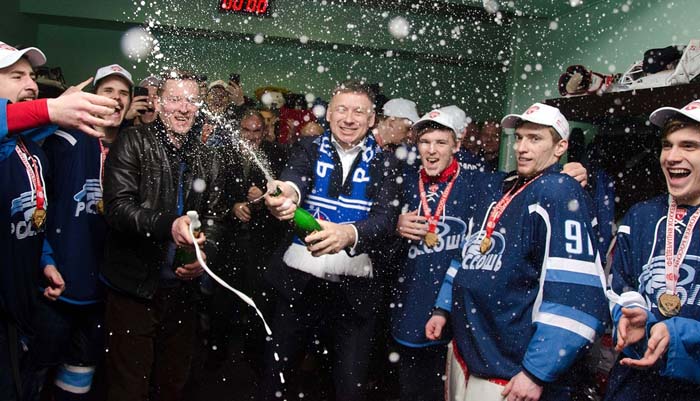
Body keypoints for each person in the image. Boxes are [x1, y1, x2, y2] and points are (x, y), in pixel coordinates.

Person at [426, 103, 609, 401]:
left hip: (511, 369)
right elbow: (470, 253)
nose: (522, 148)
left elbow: (577, 297)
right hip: (471, 351)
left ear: (560, 147)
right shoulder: (503, 187)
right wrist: (443, 307)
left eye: (535, 139)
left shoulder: (557, 191)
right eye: (520, 137)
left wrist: (537, 371)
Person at [261, 80, 401, 401]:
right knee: (276, 379)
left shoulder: (388, 163)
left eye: (358, 112)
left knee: (348, 387)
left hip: (354, 296)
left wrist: (348, 233)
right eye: (341, 109)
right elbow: (294, 179)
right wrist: (285, 196)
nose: (349, 119)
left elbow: (386, 220)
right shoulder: (308, 148)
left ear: (371, 119)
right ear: (329, 114)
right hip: (298, 287)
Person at [100, 69, 226, 401]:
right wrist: (168, 224)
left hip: (183, 293)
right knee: (129, 388)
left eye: (191, 100)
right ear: (157, 102)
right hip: (134, 288)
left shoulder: (207, 156)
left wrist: (207, 254)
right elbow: (117, 209)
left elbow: (215, 220)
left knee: (173, 384)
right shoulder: (133, 141)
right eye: (174, 99)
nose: (183, 108)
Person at [35, 64, 133, 400]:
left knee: (80, 378)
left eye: (123, 94)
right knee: (33, 375)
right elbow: (35, 207)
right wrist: (45, 260)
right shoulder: (63, 142)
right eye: (108, 91)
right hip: (56, 288)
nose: (116, 99)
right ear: (92, 98)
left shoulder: (131, 149)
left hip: (104, 292)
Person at [391, 109, 501, 401]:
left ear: (456, 145)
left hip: (456, 307)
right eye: (425, 142)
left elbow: (526, 184)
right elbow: (375, 226)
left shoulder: (478, 183)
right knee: (411, 389)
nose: (431, 150)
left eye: (440, 142)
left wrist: (568, 172)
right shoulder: (403, 181)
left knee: (449, 390)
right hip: (410, 301)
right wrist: (394, 225)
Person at [604, 100, 700, 401]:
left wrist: (681, 333)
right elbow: (619, 286)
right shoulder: (640, 216)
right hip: (633, 386)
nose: (672, 157)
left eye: (689, 146)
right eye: (667, 145)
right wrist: (633, 314)